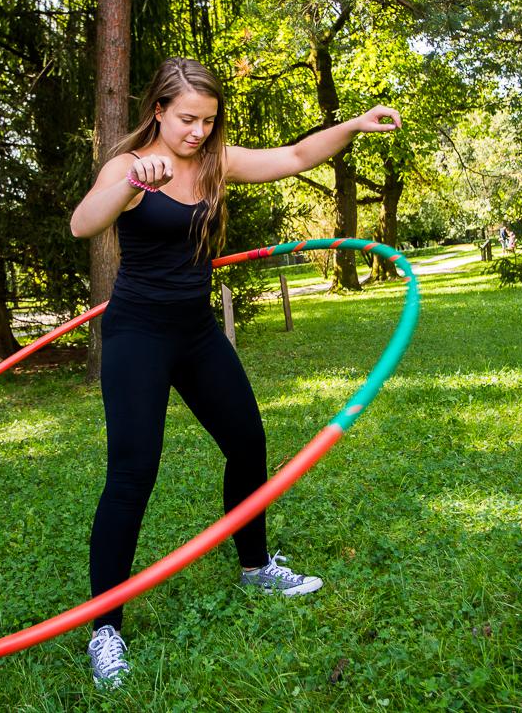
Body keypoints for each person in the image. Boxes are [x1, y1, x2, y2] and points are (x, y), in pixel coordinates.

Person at [70, 57, 401, 689]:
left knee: (248, 442)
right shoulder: (129, 165)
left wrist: (353, 124)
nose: (196, 131)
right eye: (186, 118)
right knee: (133, 473)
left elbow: (298, 156)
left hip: (195, 331)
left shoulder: (215, 161)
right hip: (139, 333)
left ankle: (255, 566)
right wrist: (131, 184)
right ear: (159, 110)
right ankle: (104, 628)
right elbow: (83, 223)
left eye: (207, 120)